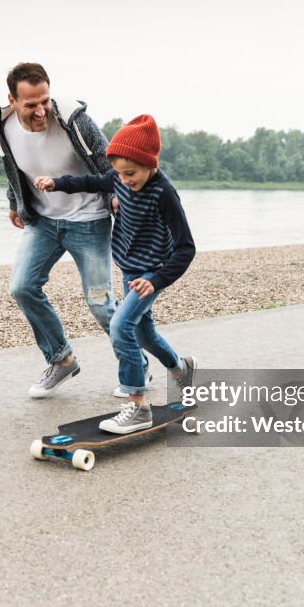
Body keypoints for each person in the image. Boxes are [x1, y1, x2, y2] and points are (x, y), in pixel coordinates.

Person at [0, 63, 151, 399]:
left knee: (101, 304)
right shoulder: (2, 125)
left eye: (44, 101)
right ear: (12, 99)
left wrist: (114, 197)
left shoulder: (72, 119)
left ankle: (137, 364)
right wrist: (13, 201)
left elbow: (110, 163)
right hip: (43, 222)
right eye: (30, 104)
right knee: (22, 288)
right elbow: (13, 167)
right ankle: (61, 360)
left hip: (89, 220)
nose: (40, 111)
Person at [34, 114, 198, 434]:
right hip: (129, 267)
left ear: (150, 163)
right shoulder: (118, 178)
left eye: (131, 173)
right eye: (120, 174)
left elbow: (186, 249)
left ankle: (137, 406)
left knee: (121, 326)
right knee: (142, 334)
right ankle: (180, 369)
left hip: (151, 273)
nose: (124, 180)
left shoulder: (164, 194)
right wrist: (57, 183)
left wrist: (155, 280)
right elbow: (92, 182)